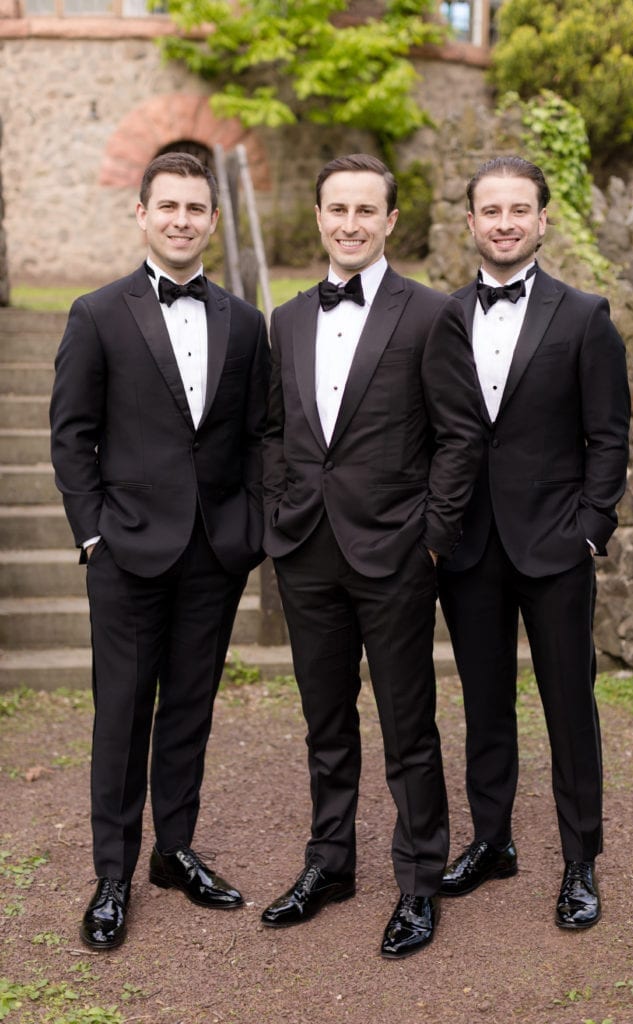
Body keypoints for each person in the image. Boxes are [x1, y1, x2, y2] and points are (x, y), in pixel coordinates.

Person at [260, 153, 483, 959]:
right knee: (325, 724)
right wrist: (277, 510)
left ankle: (419, 882)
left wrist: (430, 538)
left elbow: (460, 437)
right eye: (336, 209)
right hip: (305, 553)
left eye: (365, 210)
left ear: (390, 221)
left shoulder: (428, 315)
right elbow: (273, 430)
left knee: (407, 727)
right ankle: (331, 864)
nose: (348, 223)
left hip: (395, 554)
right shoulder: (283, 319)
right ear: (317, 216)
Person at [50, 152, 270, 950]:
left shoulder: (246, 324)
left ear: (214, 220)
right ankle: (112, 873)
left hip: (213, 551)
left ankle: (174, 851)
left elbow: (256, 437)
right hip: (127, 551)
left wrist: (247, 530)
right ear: (140, 213)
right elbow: (72, 436)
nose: (181, 219)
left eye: (195, 208)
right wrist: (93, 533)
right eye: (167, 205)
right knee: (121, 714)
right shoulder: (96, 313)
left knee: (188, 710)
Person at [437, 156, 630, 929]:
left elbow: (607, 436)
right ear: (471, 223)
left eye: (520, 209)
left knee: (566, 706)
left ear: (542, 220)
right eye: (491, 210)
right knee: (484, 706)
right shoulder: (443, 316)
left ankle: (580, 860)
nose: (506, 221)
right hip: (467, 548)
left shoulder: (583, 316)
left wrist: (590, 529)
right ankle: (491, 841)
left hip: (555, 546)